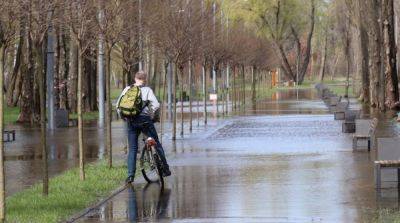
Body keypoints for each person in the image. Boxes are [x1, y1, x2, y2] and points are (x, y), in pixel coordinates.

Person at [116, 71, 171, 184]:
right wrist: (151, 116)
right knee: (156, 142)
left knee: (133, 149)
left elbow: (118, 106)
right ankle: (165, 169)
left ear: (135, 78)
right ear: (144, 80)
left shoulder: (127, 89)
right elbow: (156, 105)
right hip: (145, 120)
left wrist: (124, 117)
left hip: (131, 121)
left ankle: (130, 176)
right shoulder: (147, 90)